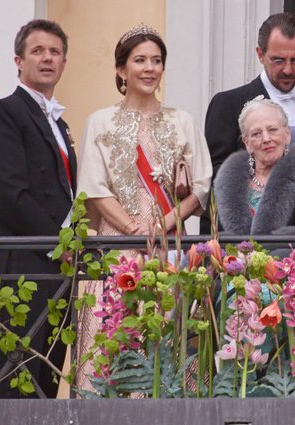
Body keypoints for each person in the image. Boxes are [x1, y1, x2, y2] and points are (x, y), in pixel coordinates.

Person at [74, 24, 212, 390]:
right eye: (140, 60)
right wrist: (132, 229)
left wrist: (161, 224)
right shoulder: (100, 121)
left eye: (156, 60)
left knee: (166, 343)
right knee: (113, 338)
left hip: (168, 249)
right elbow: (92, 187)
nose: (150, 68)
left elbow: (200, 187)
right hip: (115, 247)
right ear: (121, 70)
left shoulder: (182, 121)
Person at [0, 19, 74, 398]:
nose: (47, 58)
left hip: (57, 267)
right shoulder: (3, 113)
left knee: (48, 374)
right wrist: (60, 243)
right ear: (18, 61)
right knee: (18, 372)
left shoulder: (60, 123)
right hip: (22, 264)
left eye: (55, 52)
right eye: (38, 51)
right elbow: (8, 194)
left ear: (64, 62)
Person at [203, 12, 295, 233]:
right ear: (260, 54)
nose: (288, 69)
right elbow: (216, 176)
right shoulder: (228, 103)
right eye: (278, 60)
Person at [215, 97, 295, 236]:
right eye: (256, 134)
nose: (266, 139)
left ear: (287, 134)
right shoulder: (226, 185)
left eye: (272, 130)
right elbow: (208, 244)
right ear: (247, 143)